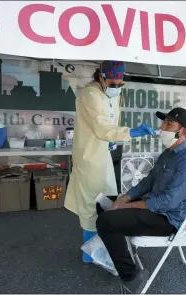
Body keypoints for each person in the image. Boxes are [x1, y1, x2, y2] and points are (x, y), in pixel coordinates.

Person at [96, 107, 186, 294]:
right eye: (163, 122)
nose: (162, 127)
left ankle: (132, 278)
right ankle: (120, 251)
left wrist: (127, 205)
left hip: (166, 219)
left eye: (169, 123)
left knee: (106, 221)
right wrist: (123, 199)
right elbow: (148, 182)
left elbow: (167, 202)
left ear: (183, 131)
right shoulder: (167, 154)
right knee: (102, 203)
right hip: (153, 208)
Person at [64, 60, 156, 263]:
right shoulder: (90, 94)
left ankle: (103, 245)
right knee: (91, 201)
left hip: (103, 152)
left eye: (120, 84)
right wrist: (131, 132)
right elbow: (101, 127)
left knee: (105, 199)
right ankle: (89, 253)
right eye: (113, 83)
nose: (117, 87)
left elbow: (112, 121)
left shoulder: (112, 93)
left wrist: (113, 140)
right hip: (89, 155)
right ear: (101, 77)